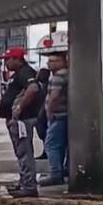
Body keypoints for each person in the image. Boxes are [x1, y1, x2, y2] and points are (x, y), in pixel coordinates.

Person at [0, 47, 42, 198]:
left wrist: (18, 108)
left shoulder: (25, 72)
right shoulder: (19, 74)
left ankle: (29, 185)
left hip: (22, 120)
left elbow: (33, 88)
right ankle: (24, 181)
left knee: (24, 153)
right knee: (21, 152)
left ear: (17, 59)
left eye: (7, 59)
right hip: (18, 119)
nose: (6, 62)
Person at [40, 53, 69, 186]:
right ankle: (62, 169)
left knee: (51, 144)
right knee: (61, 145)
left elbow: (54, 96)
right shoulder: (67, 74)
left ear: (62, 61)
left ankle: (56, 174)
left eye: (52, 61)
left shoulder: (58, 76)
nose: (49, 64)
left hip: (58, 115)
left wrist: (49, 111)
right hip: (65, 114)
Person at [34, 68, 51, 160]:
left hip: (43, 115)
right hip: (40, 114)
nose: (38, 76)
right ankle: (45, 151)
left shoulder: (46, 86)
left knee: (45, 134)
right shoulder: (41, 86)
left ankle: (47, 151)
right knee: (43, 135)